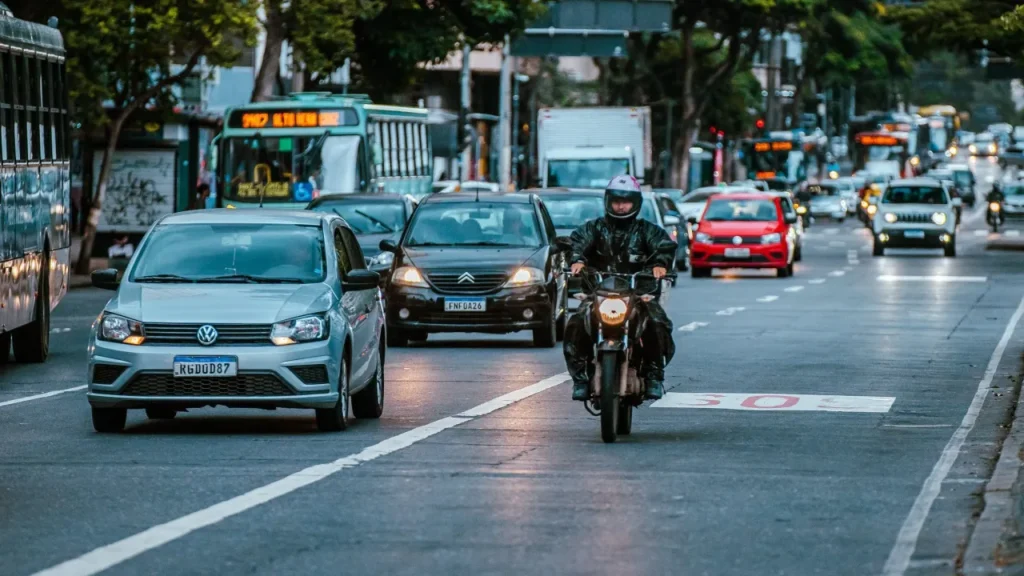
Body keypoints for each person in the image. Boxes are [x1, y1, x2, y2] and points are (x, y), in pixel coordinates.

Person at [563, 175, 676, 401]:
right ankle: (581, 379)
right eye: (616, 201)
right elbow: (577, 243)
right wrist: (577, 260)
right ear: (608, 201)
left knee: (656, 322)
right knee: (576, 323)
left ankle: (654, 374)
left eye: (626, 201)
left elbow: (663, 247)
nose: (621, 206)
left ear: (635, 203)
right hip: (598, 294)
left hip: (638, 294)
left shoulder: (647, 231)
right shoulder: (594, 228)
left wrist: (659, 265)